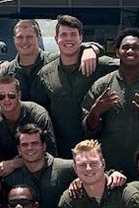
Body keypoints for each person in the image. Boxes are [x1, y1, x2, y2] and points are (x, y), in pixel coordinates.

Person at [83, 28, 139, 179]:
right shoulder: (102, 85)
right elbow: (87, 130)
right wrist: (96, 112)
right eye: (125, 47)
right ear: (117, 52)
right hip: (110, 168)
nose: (130, 51)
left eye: (136, 47)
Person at [30, 14, 118, 158]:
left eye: (73, 34)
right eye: (63, 35)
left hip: (99, 149)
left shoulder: (99, 65)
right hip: (61, 151)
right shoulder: (45, 75)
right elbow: (37, 109)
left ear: (81, 38)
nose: (68, 39)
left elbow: (131, 66)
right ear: (56, 39)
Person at [0, 74, 57, 176]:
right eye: (1, 96)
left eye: (11, 95)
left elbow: (50, 153)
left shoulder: (38, 115)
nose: (6, 100)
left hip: (37, 171)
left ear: (19, 95)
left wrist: (16, 164)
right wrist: (1, 166)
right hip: (4, 173)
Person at [2, 125, 77, 208]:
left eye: (35, 143)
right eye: (25, 144)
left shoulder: (66, 168)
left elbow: (94, 173)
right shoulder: (12, 178)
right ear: (19, 150)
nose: (30, 148)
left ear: (44, 146)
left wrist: (80, 179)